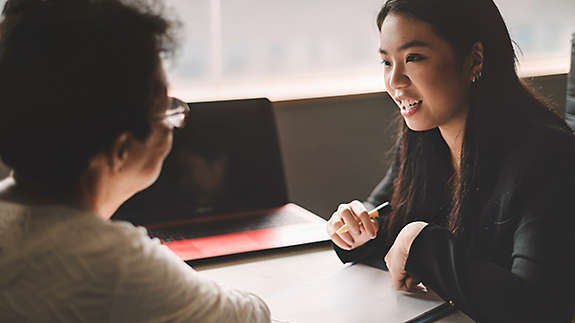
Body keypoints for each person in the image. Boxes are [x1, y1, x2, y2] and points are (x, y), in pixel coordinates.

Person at [0, 0, 270, 322]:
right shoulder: (113, 264)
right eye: (164, 107)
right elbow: (250, 316)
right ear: (121, 150)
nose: (172, 120)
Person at [326, 0, 575, 322]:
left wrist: (419, 243)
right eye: (388, 63)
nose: (395, 81)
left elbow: (536, 308)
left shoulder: (548, 155)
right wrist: (357, 235)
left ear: (474, 59)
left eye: (413, 58)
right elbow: (385, 234)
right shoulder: (422, 137)